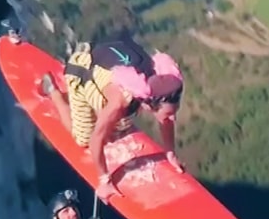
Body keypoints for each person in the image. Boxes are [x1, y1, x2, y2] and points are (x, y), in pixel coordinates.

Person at [39, 35, 186, 202]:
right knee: (83, 139)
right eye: (168, 113)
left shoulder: (155, 85)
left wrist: (171, 154)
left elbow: (166, 119)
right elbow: (96, 140)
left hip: (105, 69)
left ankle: (103, 116)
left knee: (118, 125)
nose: (173, 117)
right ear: (149, 105)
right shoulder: (118, 103)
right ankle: (52, 90)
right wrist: (104, 180)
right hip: (81, 71)